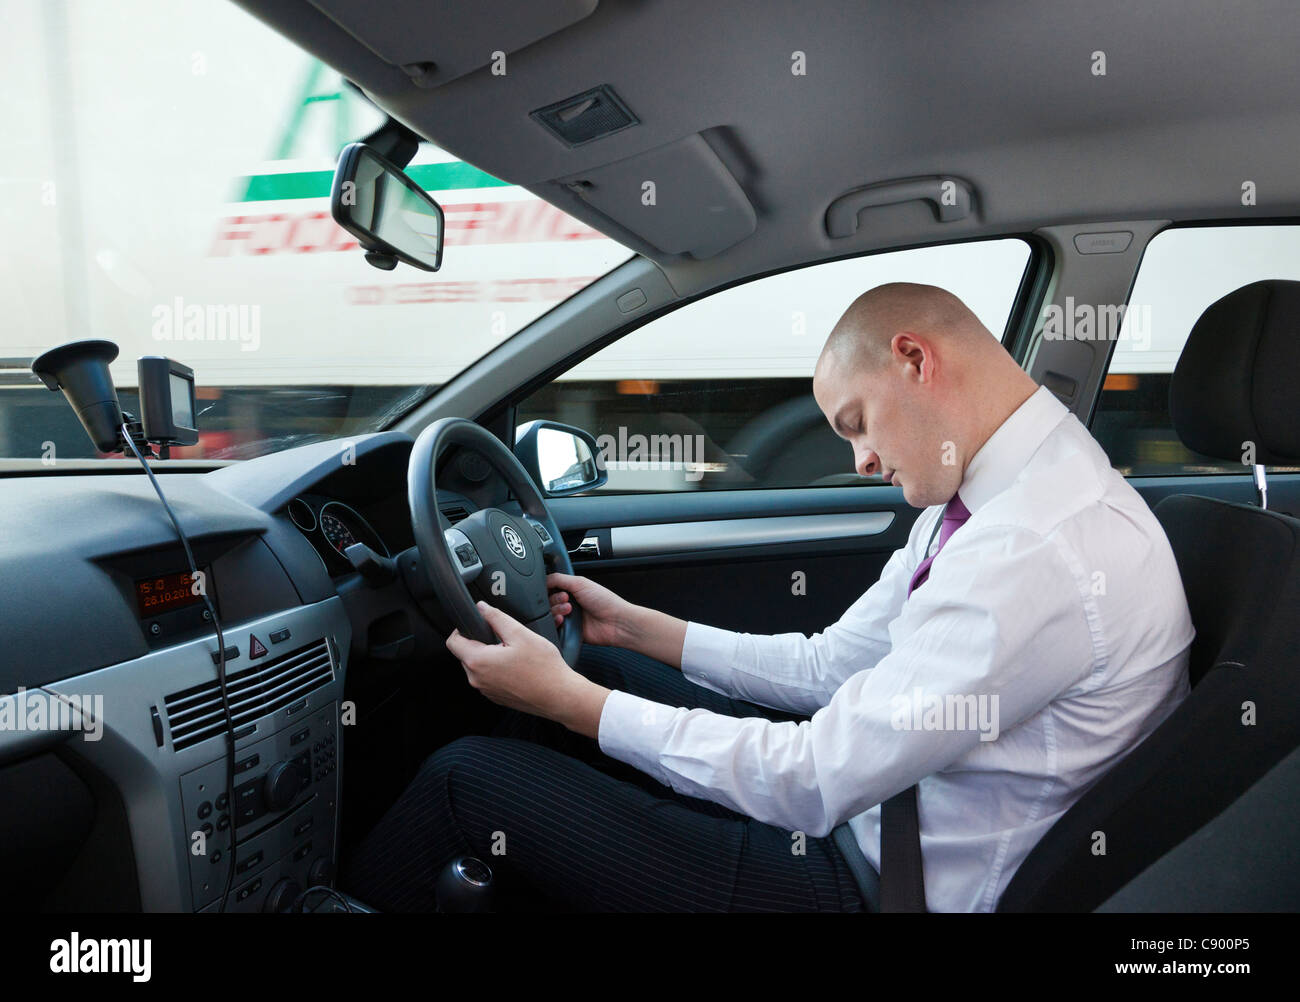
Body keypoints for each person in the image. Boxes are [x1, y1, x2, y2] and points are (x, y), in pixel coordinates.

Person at [341, 282, 1194, 912]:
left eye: (856, 422)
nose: (860, 460)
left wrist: (571, 702)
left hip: (877, 887)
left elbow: (817, 779)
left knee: (464, 783)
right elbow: (832, 666)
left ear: (915, 360)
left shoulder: (1036, 546)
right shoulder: (995, 499)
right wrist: (640, 632)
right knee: (600, 662)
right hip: (881, 822)